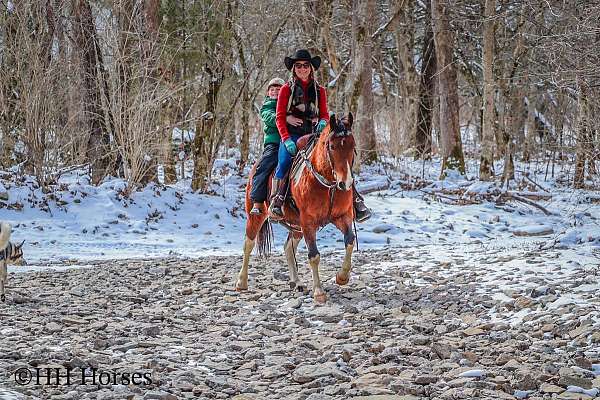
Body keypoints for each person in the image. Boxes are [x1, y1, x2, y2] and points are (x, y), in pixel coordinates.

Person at [268, 49, 371, 222]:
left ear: (311, 68)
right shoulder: (286, 89)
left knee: (339, 160)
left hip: (313, 135)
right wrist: (286, 139)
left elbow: (324, 113)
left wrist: (323, 122)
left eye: (305, 66)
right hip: (291, 136)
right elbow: (279, 118)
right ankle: (276, 201)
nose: (302, 69)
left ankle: (356, 201)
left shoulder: (319, 90)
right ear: (294, 68)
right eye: (298, 66)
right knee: (284, 161)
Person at [249, 78, 285, 215]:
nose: (275, 91)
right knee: (265, 165)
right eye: (272, 89)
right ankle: (257, 201)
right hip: (274, 142)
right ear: (268, 93)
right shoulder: (267, 106)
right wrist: (284, 118)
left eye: (279, 89)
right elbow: (270, 118)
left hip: (291, 140)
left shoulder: (289, 104)